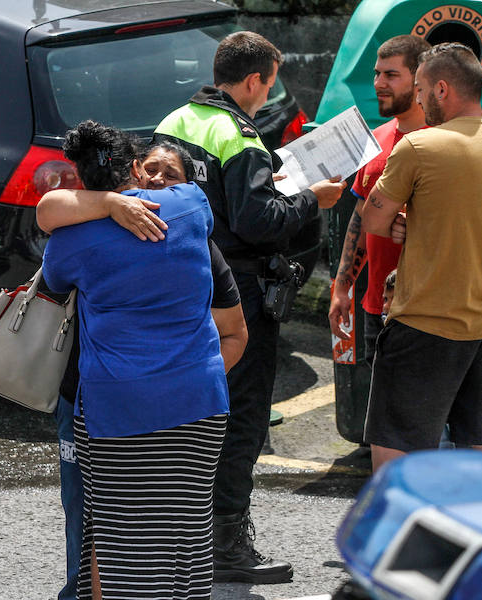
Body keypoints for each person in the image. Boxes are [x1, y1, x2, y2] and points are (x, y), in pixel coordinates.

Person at [152, 31, 346, 583]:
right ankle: (229, 549)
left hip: (182, 283)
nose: (267, 95)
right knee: (240, 419)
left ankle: (183, 537)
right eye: (268, 84)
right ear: (255, 80)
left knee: (194, 415)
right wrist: (313, 198)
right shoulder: (239, 135)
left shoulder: (174, 121)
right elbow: (259, 222)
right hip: (237, 295)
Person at [41, 120, 243, 600]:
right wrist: (116, 201)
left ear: (82, 182)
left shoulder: (71, 242)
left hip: (121, 411)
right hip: (200, 403)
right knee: (187, 541)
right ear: (134, 168)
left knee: (123, 545)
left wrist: (102, 205)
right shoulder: (191, 204)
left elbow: (49, 232)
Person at [361, 42, 482, 470]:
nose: (416, 97)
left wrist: (407, 214)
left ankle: (399, 539)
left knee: (396, 464)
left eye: (420, 88)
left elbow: (373, 221)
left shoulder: (419, 146)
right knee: (478, 464)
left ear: (442, 90)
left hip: (425, 323)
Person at [329, 35, 431, 364]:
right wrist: (342, 289)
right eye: (376, 73)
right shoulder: (378, 138)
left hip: (432, 313)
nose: (378, 84)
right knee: (384, 412)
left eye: (390, 75)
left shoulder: (445, 141)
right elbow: (359, 220)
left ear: (419, 81)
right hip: (379, 310)